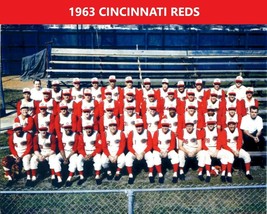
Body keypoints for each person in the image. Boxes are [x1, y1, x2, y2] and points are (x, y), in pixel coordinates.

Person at [200, 118, 234, 183]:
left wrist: (217, 150)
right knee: (205, 156)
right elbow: (201, 142)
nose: (210, 125)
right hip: (206, 149)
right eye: (209, 123)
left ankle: (226, 174)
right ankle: (208, 174)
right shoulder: (204, 130)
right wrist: (208, 150)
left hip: (216, 148)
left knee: (229, 155)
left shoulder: (218, 130)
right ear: (207, 124)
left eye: (212, 123)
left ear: (215, 124)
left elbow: (220, 141)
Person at [125, 118, 154, 184]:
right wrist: (136, 154)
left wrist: (143, 153)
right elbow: (129, 146)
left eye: (140, 126)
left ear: (143, 126)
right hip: (134, 151)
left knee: (151, 157)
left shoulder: (147, 132)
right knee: (128, 158)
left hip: (144, 150)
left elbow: (150, 145)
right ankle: (130, 175)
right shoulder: (131, 132)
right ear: (135, 126)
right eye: (137, 126)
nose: (139, 128)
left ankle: (151, 174)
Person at [153, 119, 179, 183]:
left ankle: (175, 174)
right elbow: (154, 145)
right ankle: (160, 174)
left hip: (168, 149)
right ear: (161, 126)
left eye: (166, 125)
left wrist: (167, 151)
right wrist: (161, 151)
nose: (165, 127)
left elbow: (172, 145)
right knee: (155, 156)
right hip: (159, 149)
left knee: (175, 156)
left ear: (169, 126)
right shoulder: (157, 132)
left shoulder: (171, 132)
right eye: (164, 125)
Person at [56, 123, 79, 187]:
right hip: (63, 152)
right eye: (66, 128)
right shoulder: (61, 135)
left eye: (69, 127)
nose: (68, 129)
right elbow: (60, 147)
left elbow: (75, 148)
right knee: (56, 159)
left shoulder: (75, 135)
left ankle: (69, 178)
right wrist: (64, 158)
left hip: (72, 152)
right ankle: (59, 179)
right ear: (64, 128)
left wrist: (67, 158)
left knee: (74, 161)